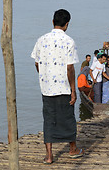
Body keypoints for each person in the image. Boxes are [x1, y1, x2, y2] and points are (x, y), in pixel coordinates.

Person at [31, 9, 83, 164]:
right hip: (64, 87)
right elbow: (70, 68)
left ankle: (49, 156)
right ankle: (72, 149)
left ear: (52, 22)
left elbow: (36, 62)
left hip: (47, 88)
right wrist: (73, 90)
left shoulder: (41, 40)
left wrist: (44, 74)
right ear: (67, 24)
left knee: (49, 119)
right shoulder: (69, 41)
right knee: (68, 117)